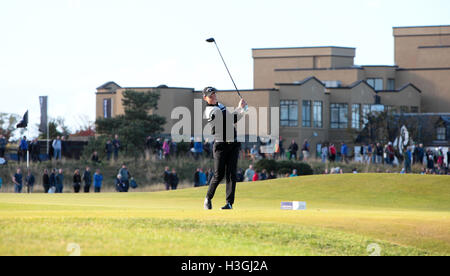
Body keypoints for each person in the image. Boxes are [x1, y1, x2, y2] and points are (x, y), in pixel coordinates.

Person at [202, 86, 246, 210]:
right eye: (210, 95)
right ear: (205, 98)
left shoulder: (220, 105)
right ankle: (208, 198)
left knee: (232, 174)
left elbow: (233, 119)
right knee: (218, 175)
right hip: (220, 145)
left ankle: (229, 203)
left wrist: (242, 109)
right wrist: (240, 108)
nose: (214, 96)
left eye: (214, 94)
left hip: (233, 144)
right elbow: (228, 120)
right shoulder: (210, 111)